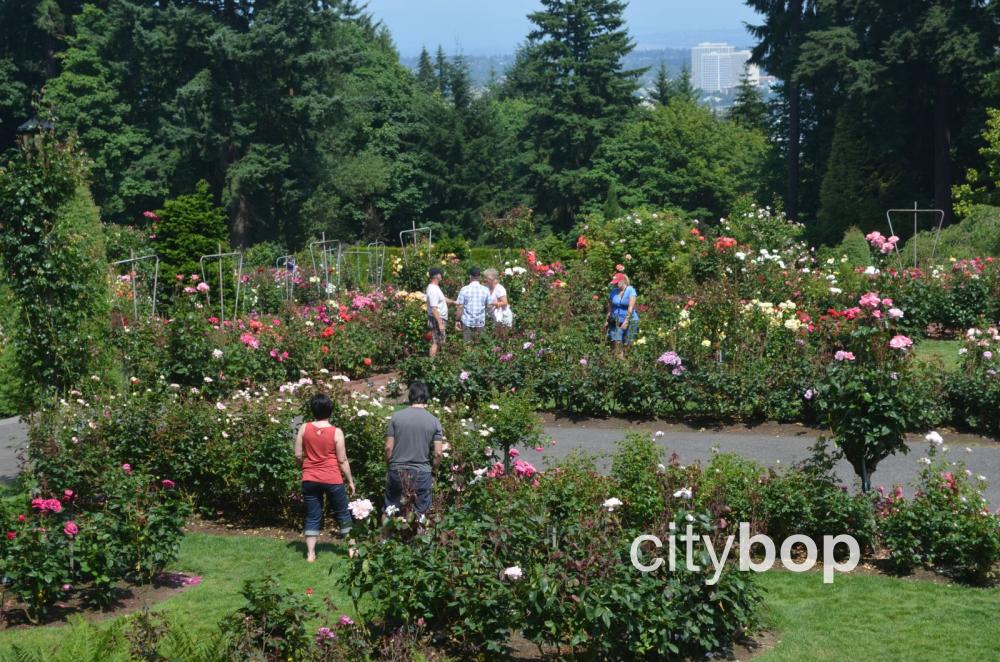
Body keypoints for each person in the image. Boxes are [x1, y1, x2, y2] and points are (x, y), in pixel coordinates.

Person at [294, 394, 355, 563]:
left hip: (310, 478)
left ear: (312, 410)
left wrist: (304, 467)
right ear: (330, 410)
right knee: (343, 513)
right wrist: (350, 480)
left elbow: (298, 454)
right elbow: (342, 460)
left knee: (312, 515)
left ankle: (311, 554)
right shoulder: (336, 432)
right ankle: (352, 550)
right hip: (332, 478)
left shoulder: (304, 428)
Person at [384, 382, 444, 514]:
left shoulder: (396, 417)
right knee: (421, 513)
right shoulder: (434, 421)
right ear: (426, 397)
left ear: (410, 396)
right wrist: (434, 470)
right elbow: (438, 453)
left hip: (397, 470)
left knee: (391, 511)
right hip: (421, 473)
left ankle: (388, 534)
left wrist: (390, 466)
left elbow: (388, 447)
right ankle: (418, 534)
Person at [606, 272, 638, 357]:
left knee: (628, 343)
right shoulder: (613, 291)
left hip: (631, 320)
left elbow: (631, 307)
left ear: (623, 281)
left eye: (617, 283)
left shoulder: (630, 290)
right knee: (617, 343)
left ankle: (628, 363)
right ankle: (620, 365)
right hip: (615, 321)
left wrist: (626, 321)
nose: (615, 285)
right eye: (614, 283)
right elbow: (610, 306)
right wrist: (606, 320)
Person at [454, 266, 490, 342]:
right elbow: (488, 305)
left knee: (468, 346)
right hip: (480, 322)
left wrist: (457, 320)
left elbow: (460, 307)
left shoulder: (464, 289)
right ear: (479, 276)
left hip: (467, 322)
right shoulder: (485, 290)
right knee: (480, 346)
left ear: (470, 276)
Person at [425, 267, 450, 358]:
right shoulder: (433, 289)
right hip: (437, 319)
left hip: (439, 319)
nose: (441, 275)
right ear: (437, 276)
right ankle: (432, 367)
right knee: (436, 342)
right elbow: (434, 308)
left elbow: (443, 299)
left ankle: (435, 365)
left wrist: (454, 302)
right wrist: (440, 323)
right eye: (440, 274)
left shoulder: (436, 287)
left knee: (439, 342)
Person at [483, 268, 513, 333]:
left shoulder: (499, 288)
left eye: (486, 278)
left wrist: (496, 303)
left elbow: (505, 302)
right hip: (492, 316)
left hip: (502, 316)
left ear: (491, 279)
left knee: (502, 336)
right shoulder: (486, 287)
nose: (484, 279)